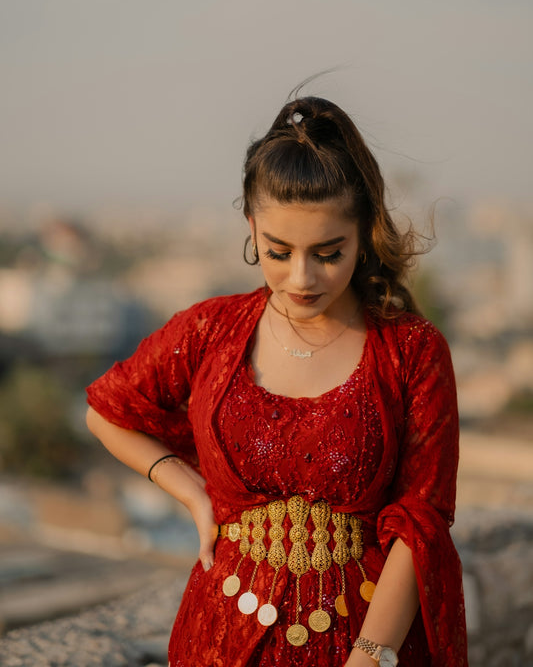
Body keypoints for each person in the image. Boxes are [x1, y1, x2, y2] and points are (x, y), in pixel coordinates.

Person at [86, 93, 468, 667]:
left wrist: (369, 654)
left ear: (363, 233)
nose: (302, 277)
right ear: (251, 227)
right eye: (278, 251)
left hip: (363, 638)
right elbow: (106, 412)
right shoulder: (210, 330)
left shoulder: (412, 350)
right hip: (218, 635)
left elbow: (422, 519)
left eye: (328, 253)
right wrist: (192, 492)